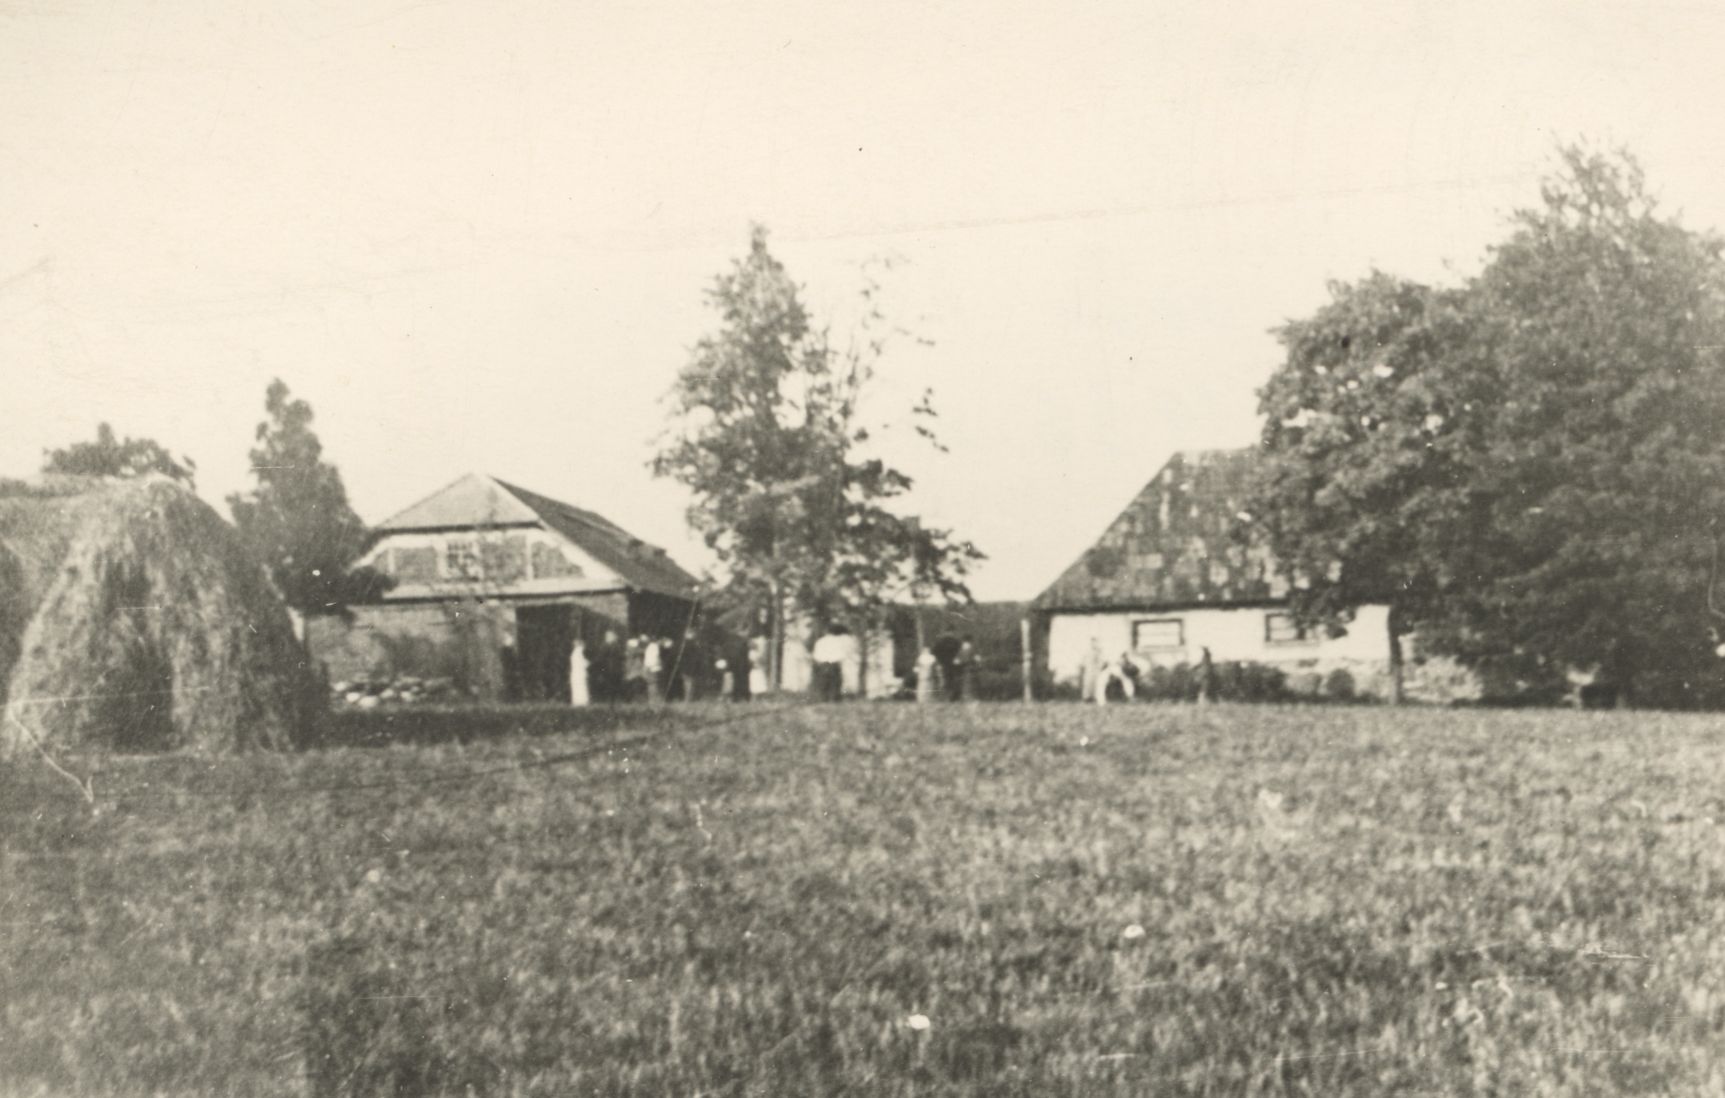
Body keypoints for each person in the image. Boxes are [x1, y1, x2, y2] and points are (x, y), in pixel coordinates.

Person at [810, 624, 852, 702]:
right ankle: (833, 702)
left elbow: (816, 656)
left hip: (822, 665)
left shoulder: (820, 641)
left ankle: (823, 701)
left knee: (823, 685)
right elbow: (842, 655)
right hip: (834, 665)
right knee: (835, 684)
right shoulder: (838, 642)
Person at [954, 635, 978, 702]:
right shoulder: (972, 649)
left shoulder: (961, 649)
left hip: (961, 668)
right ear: (970, 641)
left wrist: (958, 662)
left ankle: (964, 696)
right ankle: (968, 697)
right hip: (969, 667)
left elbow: (956, 661)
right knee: (968, 682)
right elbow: (976, 658)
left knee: (963, 682)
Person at [568, 637, 590, 707]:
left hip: (576, 673)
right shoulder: (578, 652)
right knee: (580, 686)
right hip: (579, 673)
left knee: (578, 687)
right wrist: (588, 663)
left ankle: (578, 701)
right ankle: (581, 702)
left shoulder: (574, 653)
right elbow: (582, 663)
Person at [643, 635, 664, 704]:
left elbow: (647, 659)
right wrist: (660, 664)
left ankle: (651, 699)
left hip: (648, 667)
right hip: (654, 668)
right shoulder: (655, 647)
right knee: (654, 684)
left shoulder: (648, 647)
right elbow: (655, 658)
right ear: (657, 640)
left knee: (651, 684)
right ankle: (655, 699)